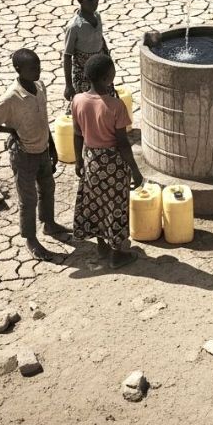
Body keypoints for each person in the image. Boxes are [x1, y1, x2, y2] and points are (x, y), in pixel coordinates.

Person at [0, 49, 71, 261]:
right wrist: (11, 131)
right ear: (18, 70)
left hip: (43, 149)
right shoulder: (12, 97)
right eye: (32, 68)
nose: (37, 71)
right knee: (28, 200)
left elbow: (44, 119)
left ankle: (49, 224)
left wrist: (52, 147)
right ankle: (31, 240)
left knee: (47, 188)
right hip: (24, 155)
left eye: (38, 66)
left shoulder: (39, 86)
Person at [70, 54, 143, 269]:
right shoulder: (115, 106)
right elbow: (122, 143)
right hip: (113, 163)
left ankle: (102, 245)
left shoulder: (77, 101)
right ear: (106, 78)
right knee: (116, 206)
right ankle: (117, 254)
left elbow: (77, 134)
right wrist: (135, 171)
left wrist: (78, 162)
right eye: (112, 72)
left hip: (91, 159)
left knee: (96, 204)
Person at [63, 0, 111, 100]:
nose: (95, 3)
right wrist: (69, 85)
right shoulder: (74, 26)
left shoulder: (97, 16)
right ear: (80, 1)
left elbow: (100, 38)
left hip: (100, 69)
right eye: (90, 0)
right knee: (87, 104)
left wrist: (107, 59)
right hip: (83, 73)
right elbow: (67, 56)